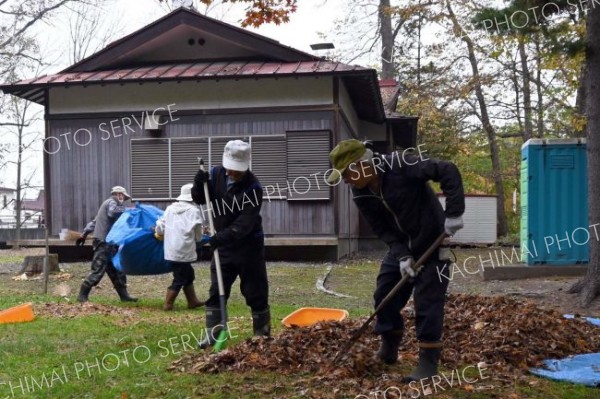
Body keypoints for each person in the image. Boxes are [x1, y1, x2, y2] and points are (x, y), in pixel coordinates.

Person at [328, 139, 465, 382]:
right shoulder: (359, 191)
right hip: (402, 248)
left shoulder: (401, 165)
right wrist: (402, 256)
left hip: (433, 244)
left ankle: (427, 364)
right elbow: (381, 228)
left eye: (347, 174)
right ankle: (389, 347)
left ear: (362, 165)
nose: (346, 181)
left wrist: (454, 213)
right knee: (384, 293)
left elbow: (447, 169)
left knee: (427, 302)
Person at [191, 140, 270, 348]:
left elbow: (243, 225)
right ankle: (213, 333)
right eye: (230, 169)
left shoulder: (254, 188)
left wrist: (220, 237)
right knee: (217, 290)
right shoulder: (216, 174)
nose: (233, 173)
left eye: (238, 170)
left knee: (255, 290)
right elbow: (200, 199)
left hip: (248, 246)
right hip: (224, 247)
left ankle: (261, 333)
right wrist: (199, 183)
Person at [75, 186, 138, 303]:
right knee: (98, 270)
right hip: (104, 243)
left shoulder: (108, 205)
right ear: (119, 194)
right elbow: (112, 212)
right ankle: (82, 295)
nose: (124, 200)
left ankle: (124, 296)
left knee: (117, 270)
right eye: (123, 197)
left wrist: (83, 234)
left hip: (111, 243)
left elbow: (94, 222)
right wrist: (130, 210)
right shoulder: (111, 203)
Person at [154, 183, 206, 311]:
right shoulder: (194, 211)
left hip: (171, 249)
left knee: (188, 273)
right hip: (185, 249)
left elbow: (160, 227)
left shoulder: (170, 209)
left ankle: (192, 301)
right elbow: (198, 235)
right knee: (180, 277)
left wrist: (159, 233)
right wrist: (200, 237)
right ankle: (168, 304)